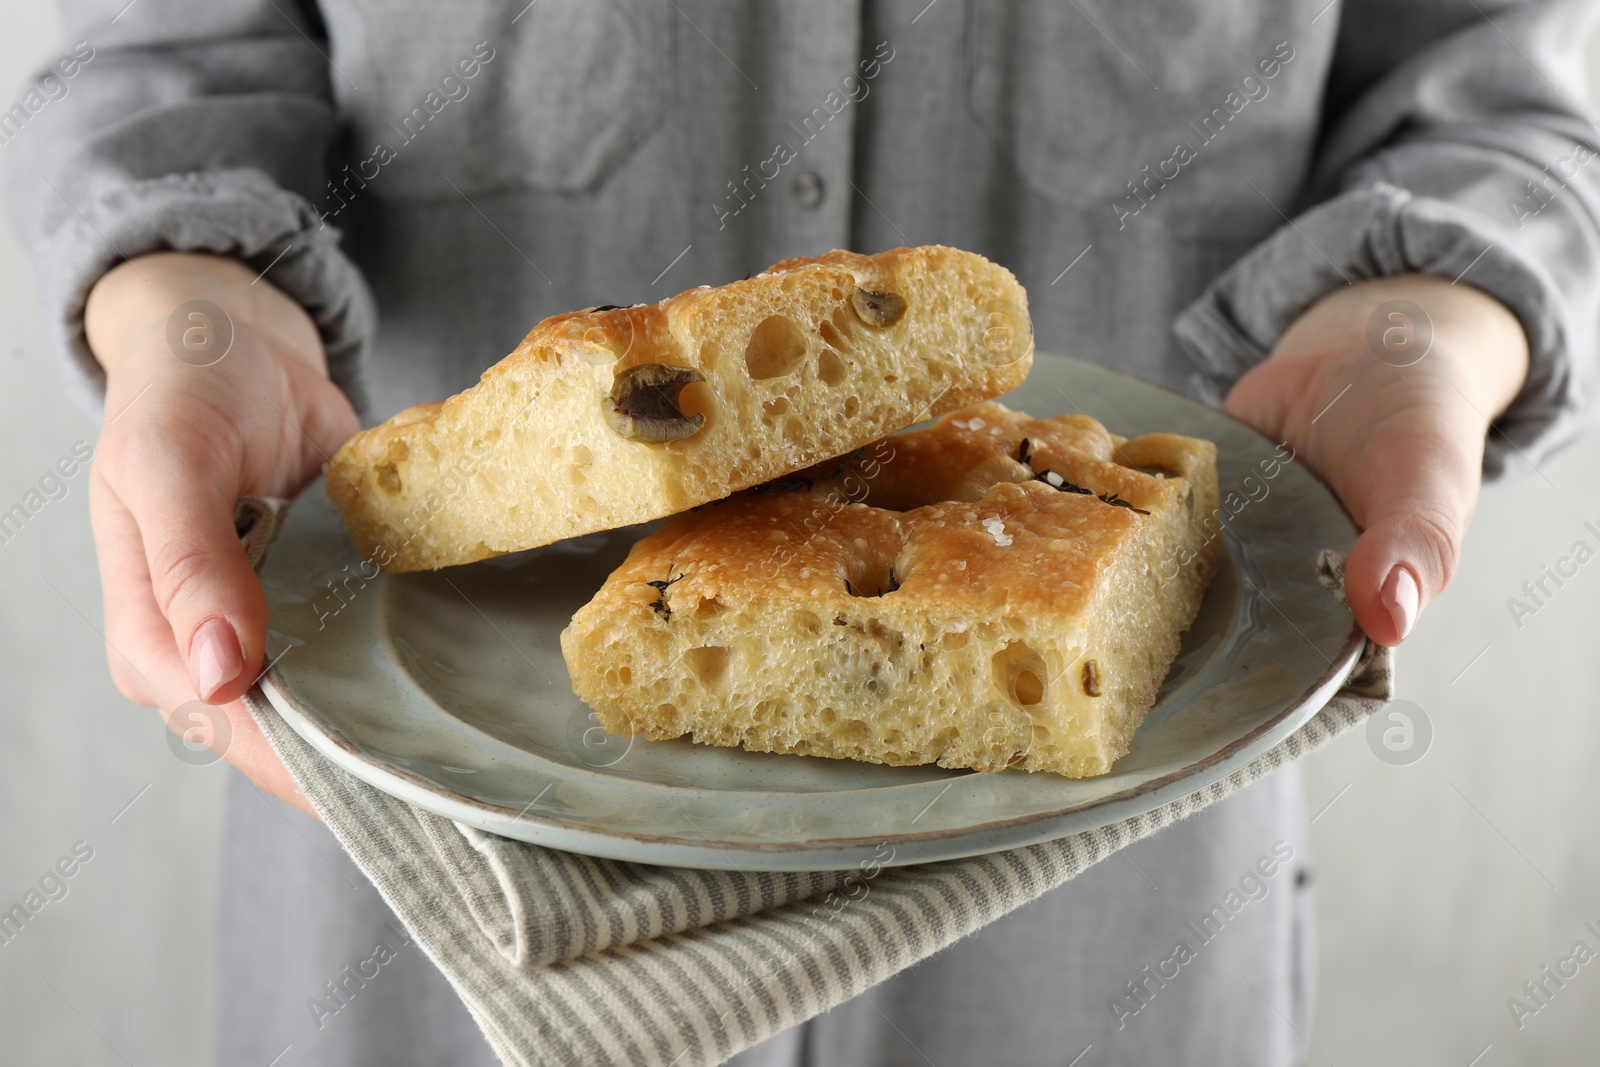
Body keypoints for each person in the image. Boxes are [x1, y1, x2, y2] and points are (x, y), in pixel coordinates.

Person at [9, 1, 1597, 1064]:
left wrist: (1425, 321)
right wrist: (193, 316)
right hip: (443, 850)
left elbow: (1494, 83)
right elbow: (156, 44)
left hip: (1117, 908)